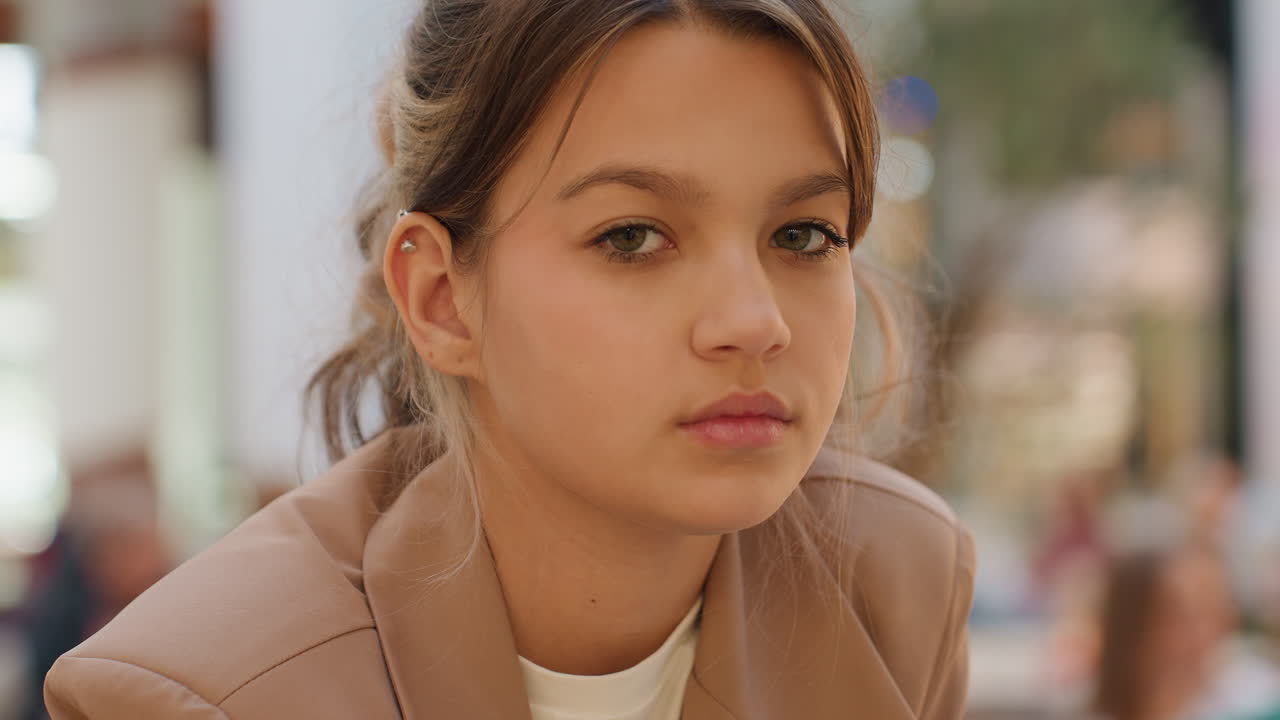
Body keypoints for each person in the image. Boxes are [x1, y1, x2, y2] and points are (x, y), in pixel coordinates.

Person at [43, 1, 975, 717]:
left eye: (804, 234)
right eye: (634, 236)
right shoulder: (199, 692)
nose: (753, 321)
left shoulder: (896, 585)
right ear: (443, 300)